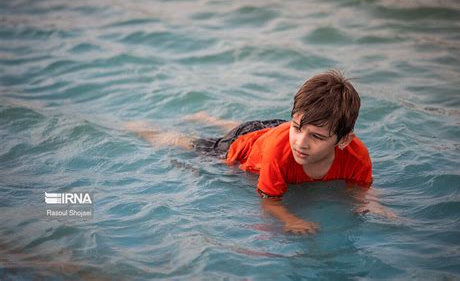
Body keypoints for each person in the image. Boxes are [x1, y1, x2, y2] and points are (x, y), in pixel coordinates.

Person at [126, 70, 396, 234]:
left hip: (272, 130)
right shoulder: (283, 150)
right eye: (299, 128)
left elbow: (360, 189)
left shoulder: (356, 154)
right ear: (295, 119)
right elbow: (269, 201)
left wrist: (372, 205)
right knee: (189, 144)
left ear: (344, 140)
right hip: (240, 145)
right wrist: (290, 219)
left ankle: (210, 117)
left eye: (316, 137)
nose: (301, 143)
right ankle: (141, 129)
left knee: (264, 130)